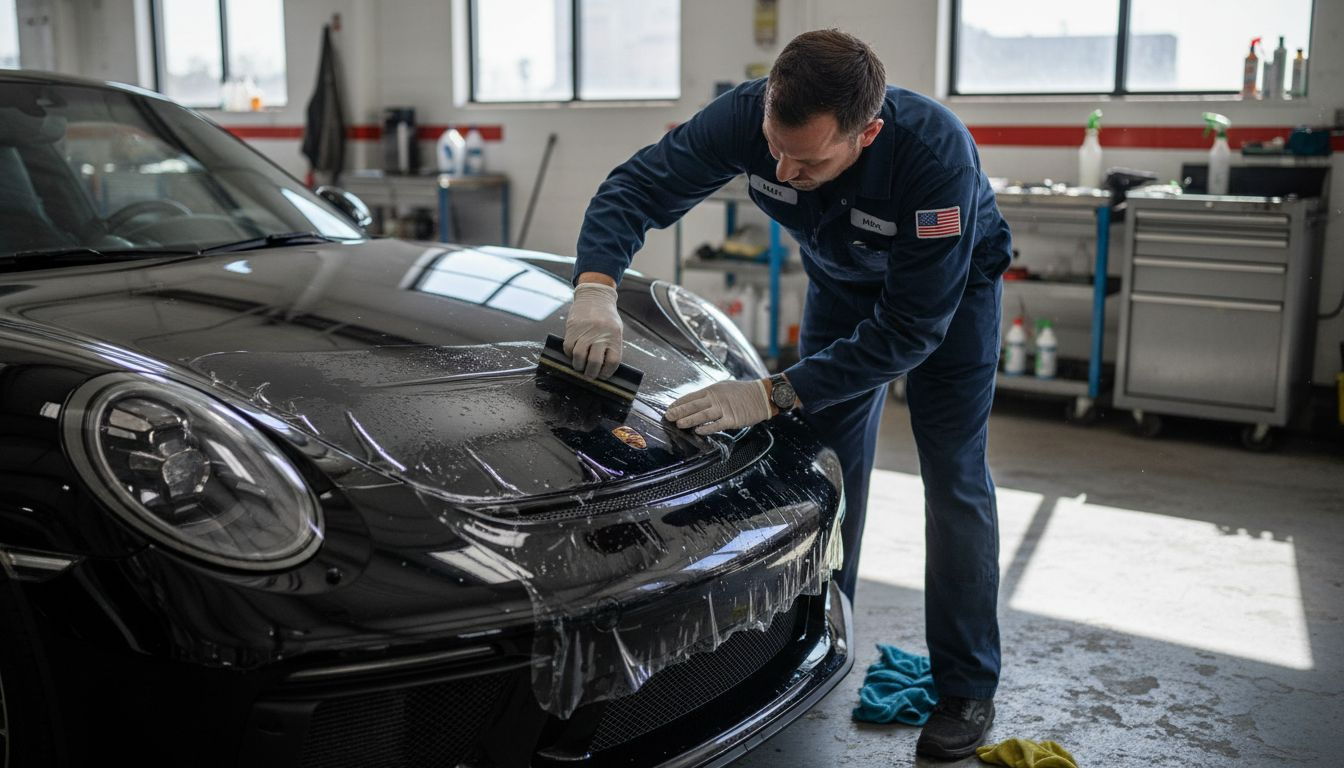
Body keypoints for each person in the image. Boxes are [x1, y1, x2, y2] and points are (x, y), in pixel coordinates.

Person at [563, 29, 1011, 760]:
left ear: (868, 132)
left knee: (955, 479)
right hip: (840, 288)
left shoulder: (935, 159)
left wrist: (771, 392)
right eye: (775, 149)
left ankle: (967, 685)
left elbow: (909, 330)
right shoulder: (747, 117)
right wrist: (595, 287)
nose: (782, 168)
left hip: (948, 308)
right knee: (829, 470)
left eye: (808, 161)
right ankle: (821, 634)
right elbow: (637, 187)